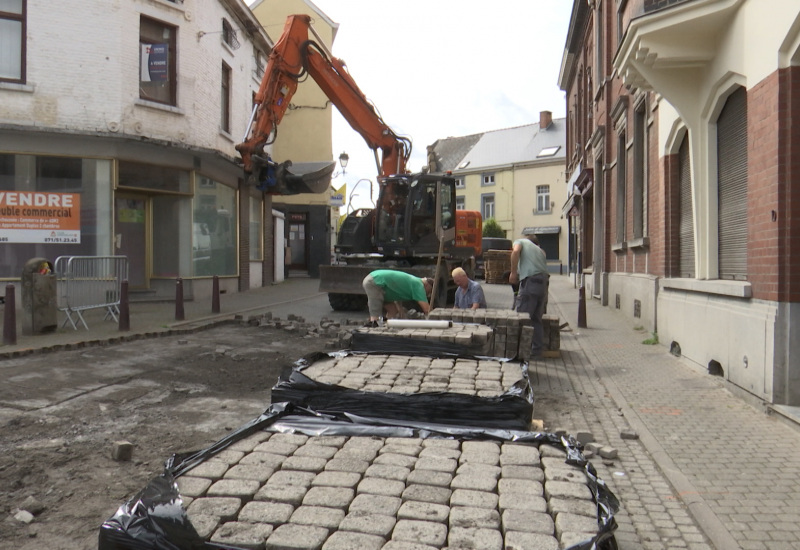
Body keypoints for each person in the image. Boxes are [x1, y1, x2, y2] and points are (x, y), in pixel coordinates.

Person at [509, 234, 550, 357]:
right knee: (536, 319)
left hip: (530, 281)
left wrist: (513, 273)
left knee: (522, 318)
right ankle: (536, 351)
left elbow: (515, 252)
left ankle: (519, 352)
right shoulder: (539, 250)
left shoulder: (520, 241)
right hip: (543, 282)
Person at [362, 269, 433, 326]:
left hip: (384, 287)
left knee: (393, 310)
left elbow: (398, 299)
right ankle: (373, 325)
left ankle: (387, 326)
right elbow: (427, 309)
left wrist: (402, 315)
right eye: (429, 292)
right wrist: (435, 319)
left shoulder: (414, 282)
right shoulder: (419, 285)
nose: (428, 294)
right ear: (427, 285)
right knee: (376, 310)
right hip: (375, 281)